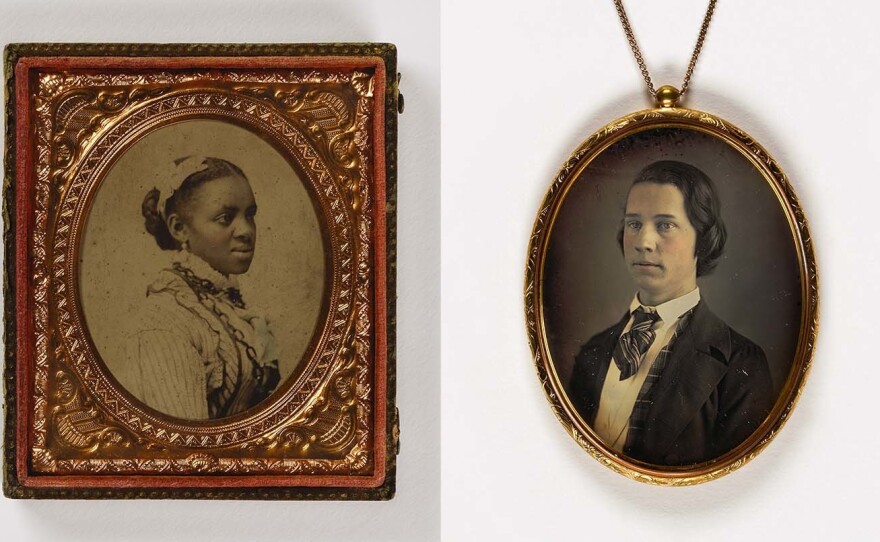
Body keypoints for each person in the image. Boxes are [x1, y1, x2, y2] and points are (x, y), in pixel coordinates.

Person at [568, 160, 774, 466]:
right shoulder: (593, 352)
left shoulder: (740, 364)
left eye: (665, 225)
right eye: (634, 223)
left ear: (702, 240)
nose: (643, 242)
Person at [124, 156, 281, 420]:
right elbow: (184, 450)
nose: (246, 230)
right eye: (225, 217)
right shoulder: (166, 321)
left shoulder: (224, 301)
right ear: (179, 228)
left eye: (250, 215)